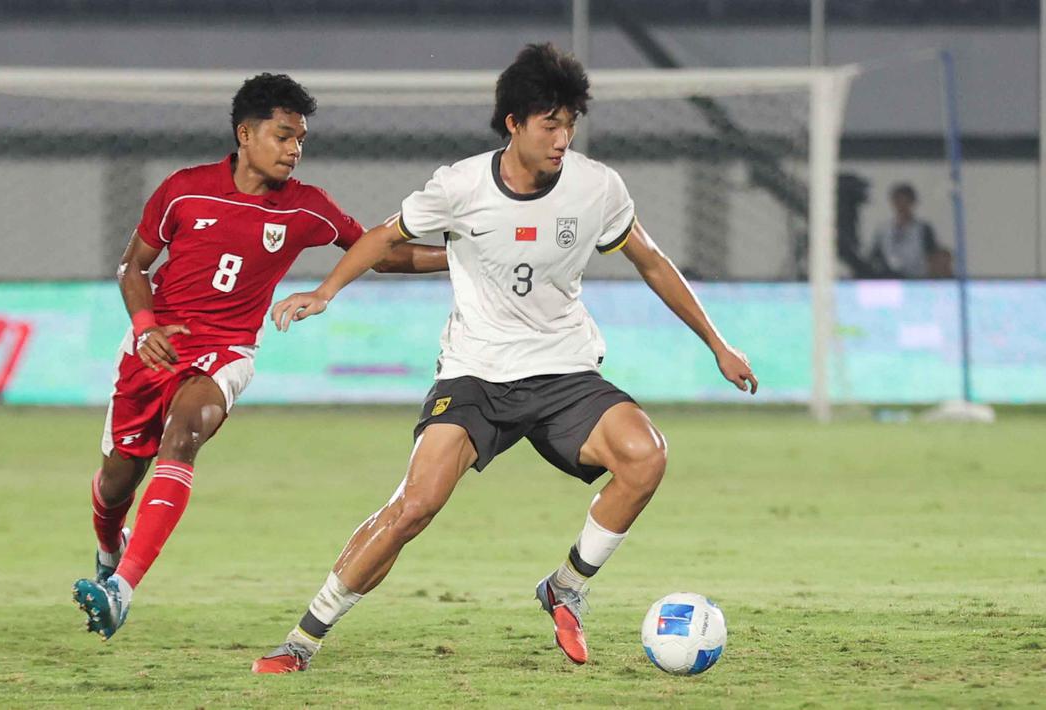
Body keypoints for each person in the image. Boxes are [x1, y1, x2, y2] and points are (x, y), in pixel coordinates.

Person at [253, 43, 758, 673]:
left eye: (571, 122)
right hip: (475, 376)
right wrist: (325, 292)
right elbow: (384, 237)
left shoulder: (597, 187)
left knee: (646, 456)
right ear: (513, 123)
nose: (563, 137)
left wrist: (717, 343)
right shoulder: (460, 185)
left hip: (563, 371)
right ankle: (302, 640)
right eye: (550, 123)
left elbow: (651, 261)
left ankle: (567, 585)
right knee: (416, 505)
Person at [71, 73, 448, 640]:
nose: (294, 149)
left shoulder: (307, 209)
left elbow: (381, 253)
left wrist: (461, 256)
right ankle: (108, 547)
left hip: (225, 352)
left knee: (184, 436)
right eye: (283, 136)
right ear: (245, 134)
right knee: (116, 482)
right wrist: (145, 324)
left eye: (300, 139)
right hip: (154, 351)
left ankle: (121, 588)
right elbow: (132, 267)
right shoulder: (184, 190)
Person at [867, 183, 952, 278]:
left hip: (917, 278)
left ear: (912, 202)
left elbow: (932, 254)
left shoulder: (923, 229)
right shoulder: (883, 230)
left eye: (905, 201)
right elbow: (875, 256)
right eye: (897, 201)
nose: (901, 205)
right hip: (890, 278)